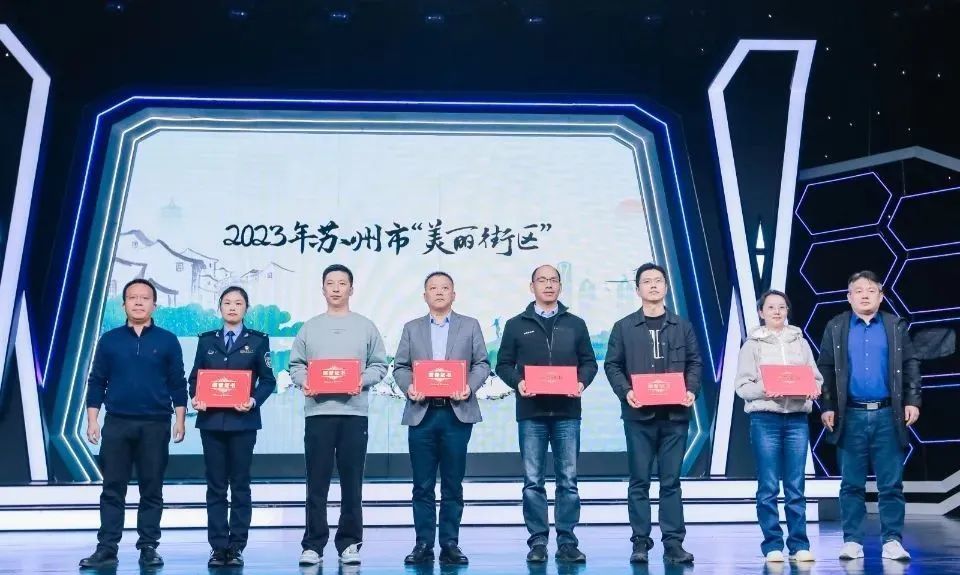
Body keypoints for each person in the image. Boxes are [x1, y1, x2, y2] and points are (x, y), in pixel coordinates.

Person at [79, 279, 187, 569]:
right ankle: (107, 548)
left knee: (152, 488)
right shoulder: (109, 340)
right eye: (132, 298)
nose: (138, 302)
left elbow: (178, 383)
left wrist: (180, 419)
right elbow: (97, 381)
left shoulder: (168, 340)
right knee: (112, 488)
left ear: (155, 304)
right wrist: (92, 419)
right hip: (117, 423)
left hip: (156, 423)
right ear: (124, 304)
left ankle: (148, 547)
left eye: (144, 298)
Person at [495, 264, 598, 564]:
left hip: (567, 412)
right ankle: (538, 541)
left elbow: (589, 363)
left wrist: (581, 382)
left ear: (560, 287)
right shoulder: (516, 325)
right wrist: (518, 382)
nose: (548, 285)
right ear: (532, 287)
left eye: (554, 280)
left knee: (568, 481)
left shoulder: (576, 324)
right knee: (532, 481)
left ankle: (567, 542)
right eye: (542, 280)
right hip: (531, 413)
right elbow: (503, 364)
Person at [818, 271, 921, 562]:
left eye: (871, 290)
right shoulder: (836, 326)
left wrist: (913, 400)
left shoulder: (895, 326)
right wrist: (827, 405)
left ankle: (892, 541)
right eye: (858, 290)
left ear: (881, 295)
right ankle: (852, 541)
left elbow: (911, 364)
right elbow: (825, 367)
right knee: (851, 484)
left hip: (889, 415)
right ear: (849, 297)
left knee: (891, 485)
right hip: (850, 415)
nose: (865, 295)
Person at [289, 264, 388, 567]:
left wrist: (361, 380)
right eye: (330, 283)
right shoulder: (309, 327)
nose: (335, 288)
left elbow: (379, 365)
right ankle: (313, 545)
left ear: (351, 289)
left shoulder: (366, 326)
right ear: (322, 289)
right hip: (318, 414)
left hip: (354, 414)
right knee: (316, 483)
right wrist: (305, 381)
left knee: (351, 483)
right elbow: (296, 365)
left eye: (342, 283)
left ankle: (349, 543)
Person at [604, 263, 700, 565]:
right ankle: (640, 543)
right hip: (639, 417)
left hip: (675, 417)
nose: (654, 285)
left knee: (671, 482)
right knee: (639, 481)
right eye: (647, 281)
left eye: (659, 280)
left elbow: (695, 362)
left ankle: (673, 544)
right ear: (638, 290)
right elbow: (612, 365)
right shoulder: (623, 327)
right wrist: (626, 391)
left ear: (666, 287)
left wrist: (691, 389)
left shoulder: (682, 326)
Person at [394, 271, 491, 566]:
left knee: (452, 483)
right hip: (421, 413)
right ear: (425, 295)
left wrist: (469, 386)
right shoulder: (412, 328)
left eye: (445, 287)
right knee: (422, 485)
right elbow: (400, 367)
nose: (439, 292)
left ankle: (450, 543)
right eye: (433, 288)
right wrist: (409, 387)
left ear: (453, 294)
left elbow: (482, 363)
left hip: (456, 414)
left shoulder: (470, 325)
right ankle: (423, 543)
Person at [188, 286, 276, 568]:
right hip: (211, 423)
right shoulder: (206, 341)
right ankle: (218, 547)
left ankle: (236, 546)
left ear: (246, 308)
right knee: (215, 486)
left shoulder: (258, 341)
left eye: (238, 303)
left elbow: (268, 380)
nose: (232, 307)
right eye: (227, 303)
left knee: (240, 485)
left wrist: (253, 400)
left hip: (243, 423)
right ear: (220, 307)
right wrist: (195, 397)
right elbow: (195, 378)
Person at [734, 290, 821, 563]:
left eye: (781, 307)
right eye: (771, 307)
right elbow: (742, 387)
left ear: (787, 311)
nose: (776, 311)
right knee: (769, 485)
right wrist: (766, 388)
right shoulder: (752, 345)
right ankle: (772, 544)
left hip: (796, 419)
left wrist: (812, 389)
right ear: (761, 312)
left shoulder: (800, 342)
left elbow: (816, 378)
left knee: (796, 485)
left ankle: (799, 545)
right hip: (765, 419)